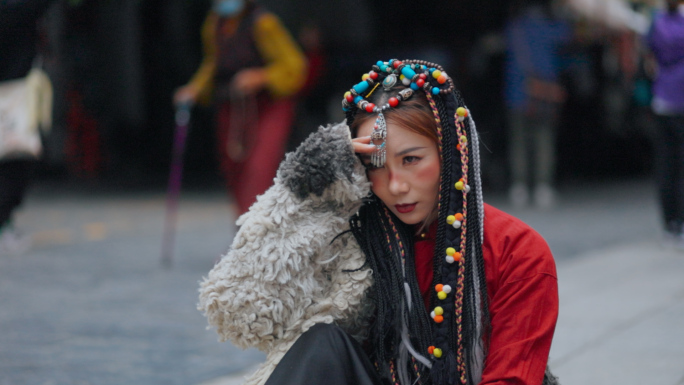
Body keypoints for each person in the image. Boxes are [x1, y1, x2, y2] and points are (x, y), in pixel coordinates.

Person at [198, 59, 559, 385]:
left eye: (412, 159)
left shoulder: (517, 250)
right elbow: (241, 308)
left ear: (451, 150)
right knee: (322, 343)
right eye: (375, 167)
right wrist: (305, 184)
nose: (396, 186)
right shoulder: (354, 235)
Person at [174, 0, 307, 215]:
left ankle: (257, 228)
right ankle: (245, 229)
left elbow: (294, 65)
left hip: (267, 108)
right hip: (232, 108)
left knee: (259, 169)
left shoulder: (264, 23)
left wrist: (260, 77)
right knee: (234, 169)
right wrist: (195, 89)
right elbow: (213, 63)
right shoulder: (214, 24)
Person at [0, 0, 55, 256]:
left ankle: (5, 220)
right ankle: (4, 220)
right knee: (17, 157)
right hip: (15, 89)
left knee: (17, 154)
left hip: (17, 88)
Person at [504, 1, 571, 208]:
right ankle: (543, 187)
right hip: (543, 94)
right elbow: (568, 35)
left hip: (516, 93)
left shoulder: (513, 28)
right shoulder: (549, 27)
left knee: (518, 142)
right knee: (544, 141)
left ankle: (519, 187)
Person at [648, 0, 684, 249]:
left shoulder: (656, 22)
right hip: (680, 97)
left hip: (662, 98)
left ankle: (670, 222)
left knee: (666, 163)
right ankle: (681, 221)